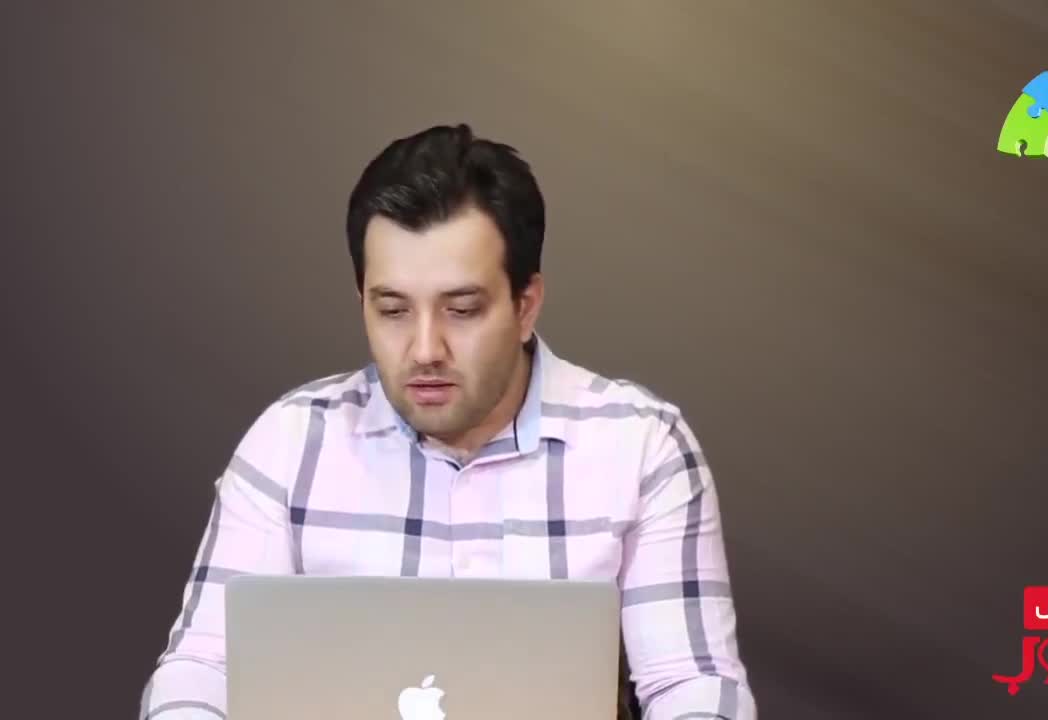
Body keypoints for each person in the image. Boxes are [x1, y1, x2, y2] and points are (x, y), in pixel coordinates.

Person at [138, 123, 755, 719]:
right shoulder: (291, 443)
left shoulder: (641, 447)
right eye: (393, 310)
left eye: (461, 310)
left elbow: (692, 683)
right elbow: (204, 666)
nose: (425, 349)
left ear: (525, 305)